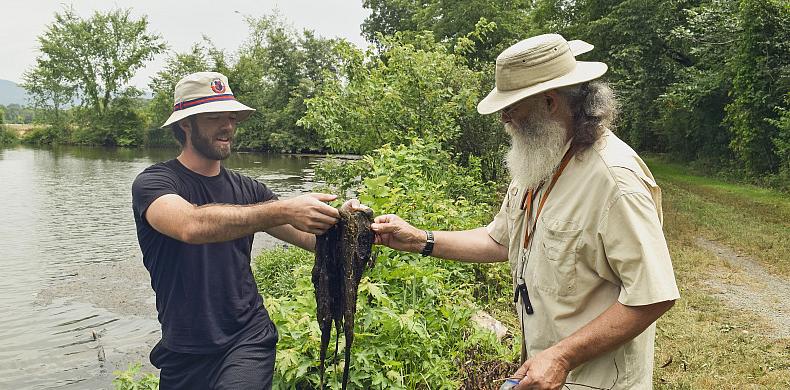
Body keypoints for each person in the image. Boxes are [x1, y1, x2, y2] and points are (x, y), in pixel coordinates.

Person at [370, 34, 680, 390]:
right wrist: (417, 240)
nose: (504, 117)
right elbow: (498, 239)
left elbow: (653, 296)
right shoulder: (541, 159)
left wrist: (562, 356)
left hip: (597, 382)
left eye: (512, 105)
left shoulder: (615, 182)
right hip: (545, 374)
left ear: (550, 103)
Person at [131, 72, 357, 389]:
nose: (228, 126)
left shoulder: (247, 188)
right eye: (215, 117)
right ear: (185, 124)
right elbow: (190, 224)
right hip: (182, 350)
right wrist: (283, 208)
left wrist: (344, 227)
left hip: (247, 338)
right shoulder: (154, 183)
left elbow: (307, 237)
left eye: (232, 117)